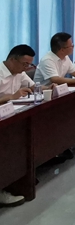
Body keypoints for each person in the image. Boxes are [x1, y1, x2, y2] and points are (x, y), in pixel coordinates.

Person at [0, 46, 34, 205]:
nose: (26, 68)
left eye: (29, 65)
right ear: (12, 60)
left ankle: (20, 176)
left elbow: (33, 86)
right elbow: (12, 97)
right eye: (24, 64)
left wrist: (49, 88)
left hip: (11, 117)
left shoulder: (20, 72)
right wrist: (11, 96)